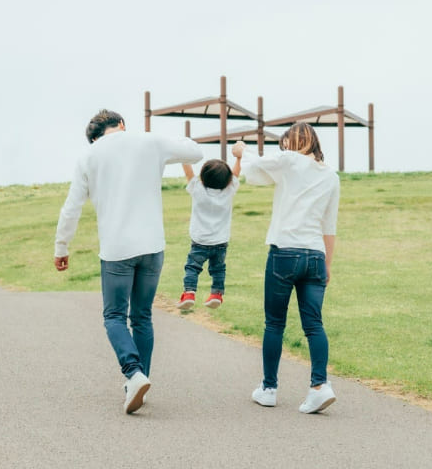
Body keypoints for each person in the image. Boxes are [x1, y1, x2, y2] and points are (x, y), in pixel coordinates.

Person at [54, 109, 203, 414]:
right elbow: (195, 151)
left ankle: (133, 374)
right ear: (121, 124)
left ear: (94, 137)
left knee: (113, 316)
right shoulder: (148, 141)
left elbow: (71, 209)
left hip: (117, 249)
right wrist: (172, 139)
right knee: (142, 317)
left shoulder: (89, 156)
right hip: (152, 246)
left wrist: (61, 247)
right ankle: (139, 381)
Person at [234, 123, 341, 413]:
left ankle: (269, 388)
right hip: (316, 256)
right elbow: (329, 227)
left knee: (275, 323)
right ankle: (320, 386)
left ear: (293, 143)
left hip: (285, 252)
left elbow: (255, 167)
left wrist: (241, 151)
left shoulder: (289, 160)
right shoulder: (331, 176)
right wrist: (328, 264)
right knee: (314, 324)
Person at [177, 154, 242, 311]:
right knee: (218, 269)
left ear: (203, 177)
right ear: (227, 180)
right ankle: (216, 295)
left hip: (199, 241)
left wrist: (183, 153)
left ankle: (189, 294)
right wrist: (239, 158)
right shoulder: (229, 191)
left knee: (192, 268)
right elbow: (236, 174)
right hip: (220, 242)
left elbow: (187, 172)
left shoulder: (197, 189)